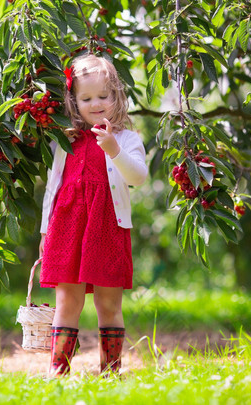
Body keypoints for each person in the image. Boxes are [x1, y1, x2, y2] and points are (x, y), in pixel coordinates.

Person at [39, 54, 147, 376]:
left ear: (117, 95)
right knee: (67, 302)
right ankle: (58, 371)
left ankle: (110, 372)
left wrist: (114, 149)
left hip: (107, 229)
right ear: (74, 102)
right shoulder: (67, 141)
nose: (96, 104)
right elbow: (52, 188)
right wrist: (45, 232)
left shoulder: (126, 139)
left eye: (103, 95)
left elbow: (138, 176)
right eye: (86, 98)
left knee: (109, 304)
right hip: (68, 228)